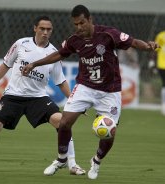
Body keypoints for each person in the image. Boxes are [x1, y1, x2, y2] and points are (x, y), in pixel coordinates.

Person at [22, 5, 159, 179]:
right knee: (64, 122)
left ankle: (96, 161)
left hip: (110, 91)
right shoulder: (74, 40)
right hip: (85, 87)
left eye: (82, 23)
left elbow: (132, 41)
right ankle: (62, 159)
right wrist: (35, 64)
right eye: (75, 24)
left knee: (110, 132)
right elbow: (59, 55)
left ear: (90, 19)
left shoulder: (108, 34)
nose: (79, 27)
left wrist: (148, 47)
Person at [0, 16, 85, 176]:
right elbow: (6, 64)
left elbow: (60, 81)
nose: (45, 32)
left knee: (61, 122)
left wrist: (73, 100)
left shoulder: (54, 53)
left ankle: (72, 164)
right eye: (42, 29)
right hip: (13, 95)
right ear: (35, 28)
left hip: (38, 98)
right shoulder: (21, 44)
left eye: (49, 30)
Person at [154, 31, 165, 115]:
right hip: (162, 64)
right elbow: (155, 49)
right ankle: (163, 105)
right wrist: (152, 62)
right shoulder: (161, 35)